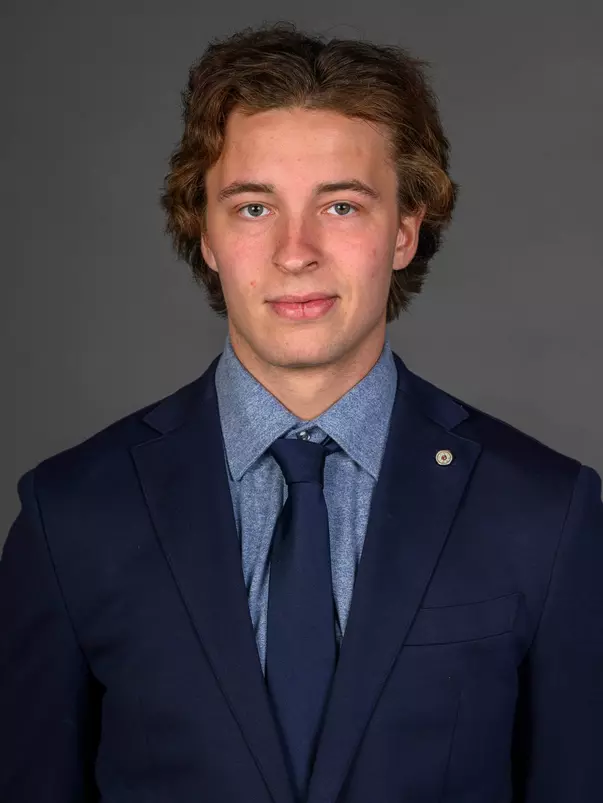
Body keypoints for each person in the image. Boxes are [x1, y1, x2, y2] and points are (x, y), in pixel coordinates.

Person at [1, 20, 602, 803]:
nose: (294, 250)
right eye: (253, 208)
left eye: (342, 207)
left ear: (404, 230)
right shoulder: (70, 514)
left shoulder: (545, 511)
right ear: (206, 234)